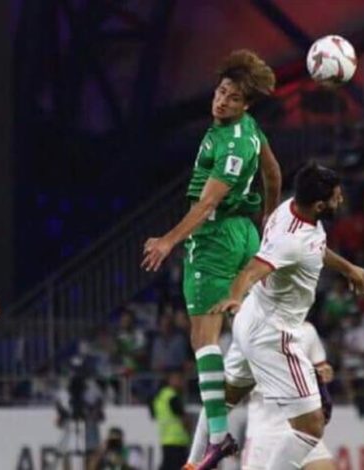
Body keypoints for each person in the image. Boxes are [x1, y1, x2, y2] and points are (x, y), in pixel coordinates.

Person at [141, 48, 282, 463]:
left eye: (233, 98)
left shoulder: (231, 146)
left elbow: (205, 205)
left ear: (245, 105)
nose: (222, 101)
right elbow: (273, 173)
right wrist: (269, 217)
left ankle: (219, 436)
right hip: (245, 233)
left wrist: (168, 241)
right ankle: (296, 385)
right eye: (221, 92)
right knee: (254, 324)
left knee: (204, 337)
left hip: (214, 239)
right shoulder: (249, 129)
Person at [206, 163, 364, 469]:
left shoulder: (291, 209)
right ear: (319, 205)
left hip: (255, 317)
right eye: (336, 197)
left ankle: (200, 454)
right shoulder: (292, 240)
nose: (341, 200)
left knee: (228, 396)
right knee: (312, 426)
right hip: (273, 331)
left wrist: (348, 268)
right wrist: (234, 296)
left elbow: (314, 248)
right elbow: (252, 270)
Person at [241, 322, 336, 470]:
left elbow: (320, 366)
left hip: (302, 424)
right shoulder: (251, 329)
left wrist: (324, 372)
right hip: (266, 427)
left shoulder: (307, 330)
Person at [151, 370, 191, 470]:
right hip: (178, 440)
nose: (182, 382)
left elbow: (154, 414)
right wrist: (190, 431)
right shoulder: (172, 396)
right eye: (179, 379)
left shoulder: (159, 397)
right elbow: (184, 418)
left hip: (166, 440)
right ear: (170, 380)